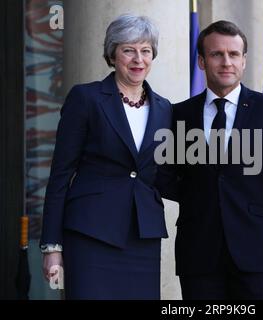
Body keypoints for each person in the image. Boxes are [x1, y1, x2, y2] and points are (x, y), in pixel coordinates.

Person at [40, 14, 172, 299]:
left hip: (142, 238)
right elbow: (61, 173)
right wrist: (52, 246)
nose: (138, 59)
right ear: (112, 55)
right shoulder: (85, 98)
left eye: (146, 50)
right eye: (129, 50)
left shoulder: (165, 109)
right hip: (90, 235)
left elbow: (161, 174)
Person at [168, 20, 263, 300]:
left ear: (244, 61)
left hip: (257, 254)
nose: (226, 62)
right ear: (202, 62)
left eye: (234, 54)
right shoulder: (179, 114)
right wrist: (198, 199)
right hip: (198, 253)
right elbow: (165, 176)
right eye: (217, 54)